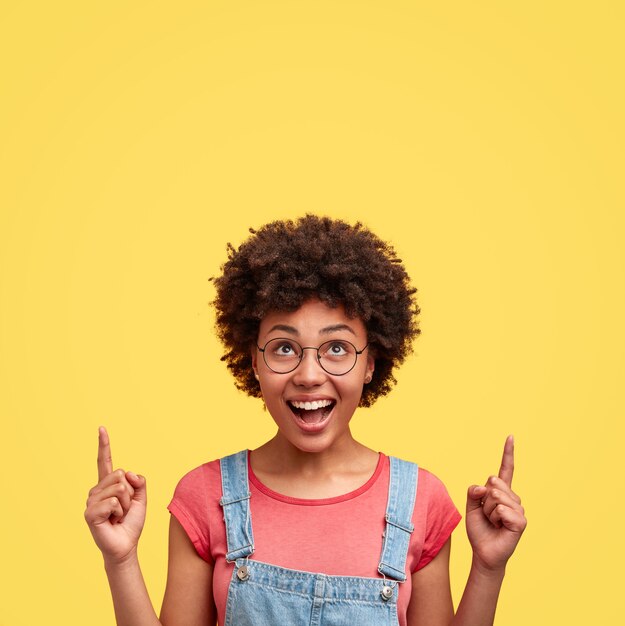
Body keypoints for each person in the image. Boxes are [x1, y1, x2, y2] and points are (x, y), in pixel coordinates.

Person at [84, 215, 526, 626]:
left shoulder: (420, 502)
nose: (309, 375)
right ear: (253, 362)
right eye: (283, 348)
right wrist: (120, 561)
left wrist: (488, 568)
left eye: (337, 348)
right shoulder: (205, 497)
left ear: (371, 362)